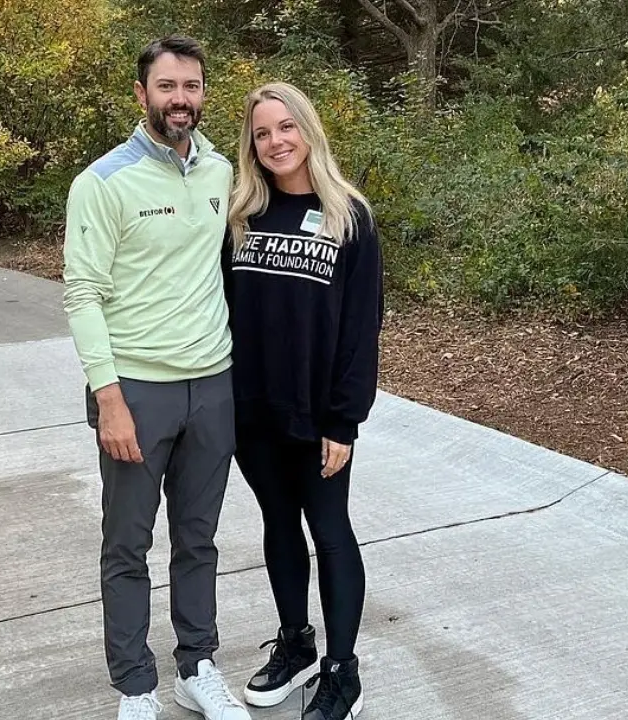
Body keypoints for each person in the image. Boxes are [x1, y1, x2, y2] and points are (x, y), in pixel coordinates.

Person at [62, 35, 251, 720]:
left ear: (204, 93)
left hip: (213, 386)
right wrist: (108, 399)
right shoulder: (103, 182)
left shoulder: (221, 172)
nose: (181, 99)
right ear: (141, 94)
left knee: (198, 539)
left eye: (192, 86)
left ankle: (197, 667)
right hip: (137, 391)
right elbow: (82, 293)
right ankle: (136, 687)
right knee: (128, 545)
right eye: (167, 87)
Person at [223, 82, 384, 719]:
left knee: (330, 530)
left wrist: (343, 420)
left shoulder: (350, 216)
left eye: (285, 128)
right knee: (278, 526)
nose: (275, 142)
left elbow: (359, 328)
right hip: (251, 412)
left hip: (319, 418)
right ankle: (295, 645)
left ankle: (342, 672)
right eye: (262, 133)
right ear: (251, 145)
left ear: (308, 131)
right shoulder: (240, 215)